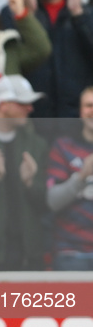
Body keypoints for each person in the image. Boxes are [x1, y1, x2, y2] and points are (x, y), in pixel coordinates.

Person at [0, 75, 49, 270]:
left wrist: (30, 183)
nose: (30, 108)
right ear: (3, 105)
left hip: (29, 254)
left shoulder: (36, 145)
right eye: (23, 103)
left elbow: (46, 203)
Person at [0, 0, 93, 119]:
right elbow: (11, 58)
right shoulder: (11, 13)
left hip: (76, 115)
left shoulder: (85, 12)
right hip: (33, 114)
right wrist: (27, 17)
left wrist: (79, 16)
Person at [46, 85, 93, 270]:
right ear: (81, 112)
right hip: (71, 252)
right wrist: (81, 176)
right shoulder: (63, 148)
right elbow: (52, 201)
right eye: (89, 105)